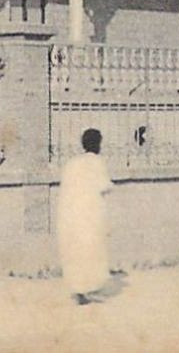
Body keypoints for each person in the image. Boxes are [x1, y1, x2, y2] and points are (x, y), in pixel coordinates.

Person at [58, 127, 114, 303]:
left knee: (76, 250)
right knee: (91, 249)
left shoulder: (72, 163)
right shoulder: (97, 162)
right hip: (91, 212)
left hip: (71, 212)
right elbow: (104, 186)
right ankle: (88, 288)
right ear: (98, 144)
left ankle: (78, 289)